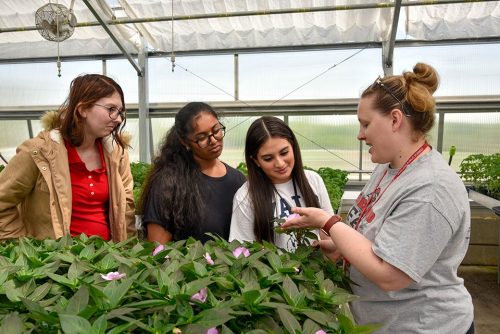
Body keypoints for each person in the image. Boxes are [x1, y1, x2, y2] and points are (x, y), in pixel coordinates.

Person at [282, 63, 474, 333]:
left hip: (422, 325)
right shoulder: (388, 167)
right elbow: (375, 236)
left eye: (366, 124)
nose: (360, 135)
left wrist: (329, 223)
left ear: (395, 120)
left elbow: (390, 275)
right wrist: (340, 247)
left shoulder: (430, 189)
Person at [0, 74, 136, 241]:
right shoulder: (38, 152)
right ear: (83, 109)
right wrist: (22, 245)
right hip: (57, 263)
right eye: (111, 109)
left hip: (106, 262)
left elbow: (126, 209)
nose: (119, 119)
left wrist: (128, 251)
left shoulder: (116, 155)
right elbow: (2, 201)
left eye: (120, 111)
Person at [139, 102, 246, 243]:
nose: (213, 140)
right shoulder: (168, 183)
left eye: (216, 130)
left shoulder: (237, 180)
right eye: (202, 137)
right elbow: (158, 249)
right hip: (188, 264)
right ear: (185, 142)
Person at [229, 116, 334, 251]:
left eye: (284, 152)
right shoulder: (245, 196)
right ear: (255, 161)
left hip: (314, 269)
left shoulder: (313, 180)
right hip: (271, 271)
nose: (280, 163)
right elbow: (242, 251)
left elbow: (328, 232)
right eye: (268, 158)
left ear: (293, 146)